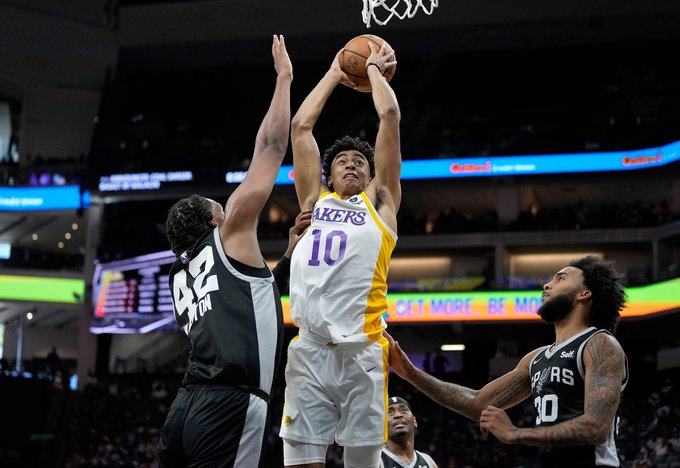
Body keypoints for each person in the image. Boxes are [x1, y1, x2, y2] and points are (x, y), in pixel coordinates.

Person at [156, 35, 292, 468]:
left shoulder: (179, 273)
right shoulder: (230, 230)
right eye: (221, 206)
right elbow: (271, 148)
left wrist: (287, 259)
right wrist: (284, 79)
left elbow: (246, 300)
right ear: (216, 220)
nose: (228, 208)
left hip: (184, 409)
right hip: (230, 403)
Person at [279, 41, 401, 468]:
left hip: (362, 352)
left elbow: (389, 116)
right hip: (309, 349)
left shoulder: (381, 204)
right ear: (327, 175)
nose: (352, 164)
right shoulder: (313, 202)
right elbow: (300, 128)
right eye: (343, 161)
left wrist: (373, 71)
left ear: (371, 176)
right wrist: (334, 73)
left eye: (360, 162)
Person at [387, 256, 629, 468]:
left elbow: (596, 427)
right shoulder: (536, 359)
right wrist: (410, 373)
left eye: (560, 279)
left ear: (584, 294)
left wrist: (515, 433)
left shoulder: (599, 344)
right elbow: (476, 403)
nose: (547, 285)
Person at [380, 396, 438, 468]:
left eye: (403, 410)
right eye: (389, 413)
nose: (398, 415)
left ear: (414, 421)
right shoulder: (376, 461)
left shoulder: (428, 462)